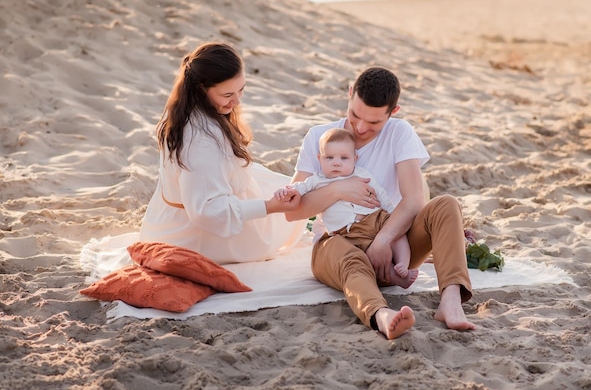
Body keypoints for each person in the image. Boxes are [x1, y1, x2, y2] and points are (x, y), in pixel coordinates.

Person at [286, 66, 476, 339]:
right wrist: (339, 189)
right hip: (337, 247)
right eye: (355, 115)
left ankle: (450, 300)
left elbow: (413, 201)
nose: (361, 128)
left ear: (393, 112)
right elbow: (294, 212)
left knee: (446, 204)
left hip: (394, 251)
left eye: (374, 123)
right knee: (350, 258)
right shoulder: (320, 137)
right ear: (350, 94)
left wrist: (384, 240)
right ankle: (381, 316)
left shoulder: (400, 133)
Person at [138, 42, 305, 264]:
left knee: (280, 184)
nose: (237, 101)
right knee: (291, 215)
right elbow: (208, 212)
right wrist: (270, 207)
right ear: (200, 88)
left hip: (165, 223)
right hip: (197, 238)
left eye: (241, 89)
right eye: (227, 94)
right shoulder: (201, 141)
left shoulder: (182, 108)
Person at [274, 127, 418, 288]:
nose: (336, 162)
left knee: (396, 232)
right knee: (364, 256)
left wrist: (392, 216)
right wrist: (285, 190)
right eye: (329, 157)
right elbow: (298, 188)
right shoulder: (317, 181)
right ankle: (396, 278)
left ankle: (403, 263)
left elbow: (383, 196)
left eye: (344, 158)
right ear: (319, 159)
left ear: (354, 158)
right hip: (349, 232)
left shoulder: (363, 175)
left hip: (375, 219)